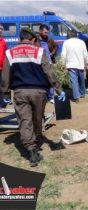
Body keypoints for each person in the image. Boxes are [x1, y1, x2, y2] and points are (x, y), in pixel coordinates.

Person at [0, 28, 65, 167]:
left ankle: (30, 149)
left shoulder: (10, 53)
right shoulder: (39, 51)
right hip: (39, 92)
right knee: (37, 117)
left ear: (20, 38)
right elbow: (49, 71)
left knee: (24, 120)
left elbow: (5, 74)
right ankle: (35, 141)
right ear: (33, 39)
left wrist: (5, 92)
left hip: (20, 91)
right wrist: (58, 89)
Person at [61, 30, 88, 103]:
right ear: (76, 35)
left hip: (71, 65)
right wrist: (86, 63)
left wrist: (63, 64)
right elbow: (85, 53)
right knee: (81, 79)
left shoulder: (66, 42)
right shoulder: (82, 42)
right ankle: (82, 93)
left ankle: (76, 97)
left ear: (69, 35)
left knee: (74, 81)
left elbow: (63, 54)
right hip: (80, 64)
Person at [38, 24, 58, 104]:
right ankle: (42, 97)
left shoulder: (49, 39)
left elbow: (56, 46)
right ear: (40, 31)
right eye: (45, 32)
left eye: (47, 32)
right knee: (41, 80)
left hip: (49, 62)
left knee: (50, 79)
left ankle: (50, 97)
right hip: (40, 62)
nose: (46, 34)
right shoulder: (36, 40)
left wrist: (52, 53)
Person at [0, 24, 8, 108]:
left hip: (2, 67)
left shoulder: (3, 41)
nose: (0, 30)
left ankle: (2, 103)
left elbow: (5, 53)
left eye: (1, 29)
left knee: (2, 85)